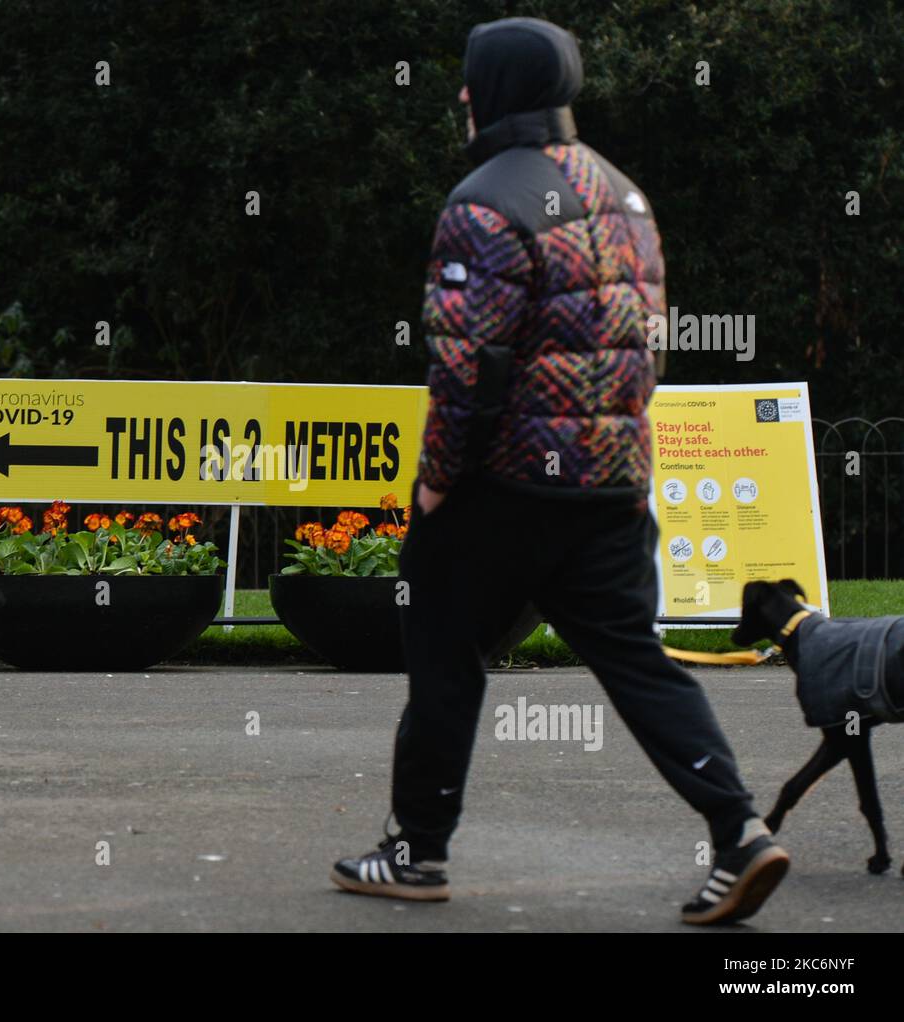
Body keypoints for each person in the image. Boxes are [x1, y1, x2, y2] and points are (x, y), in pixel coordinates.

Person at [330, 16, 789, 925]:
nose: (461, 98)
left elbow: (468, 368)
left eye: (470, 83)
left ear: (490, 92)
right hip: (612, 481)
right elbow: (646, 344)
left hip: (502, 489)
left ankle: (417, 851)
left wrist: (434, 485)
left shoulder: (482, 201)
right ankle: (739, 832)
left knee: (444, 657)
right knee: (638, 662)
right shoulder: (625, 196)